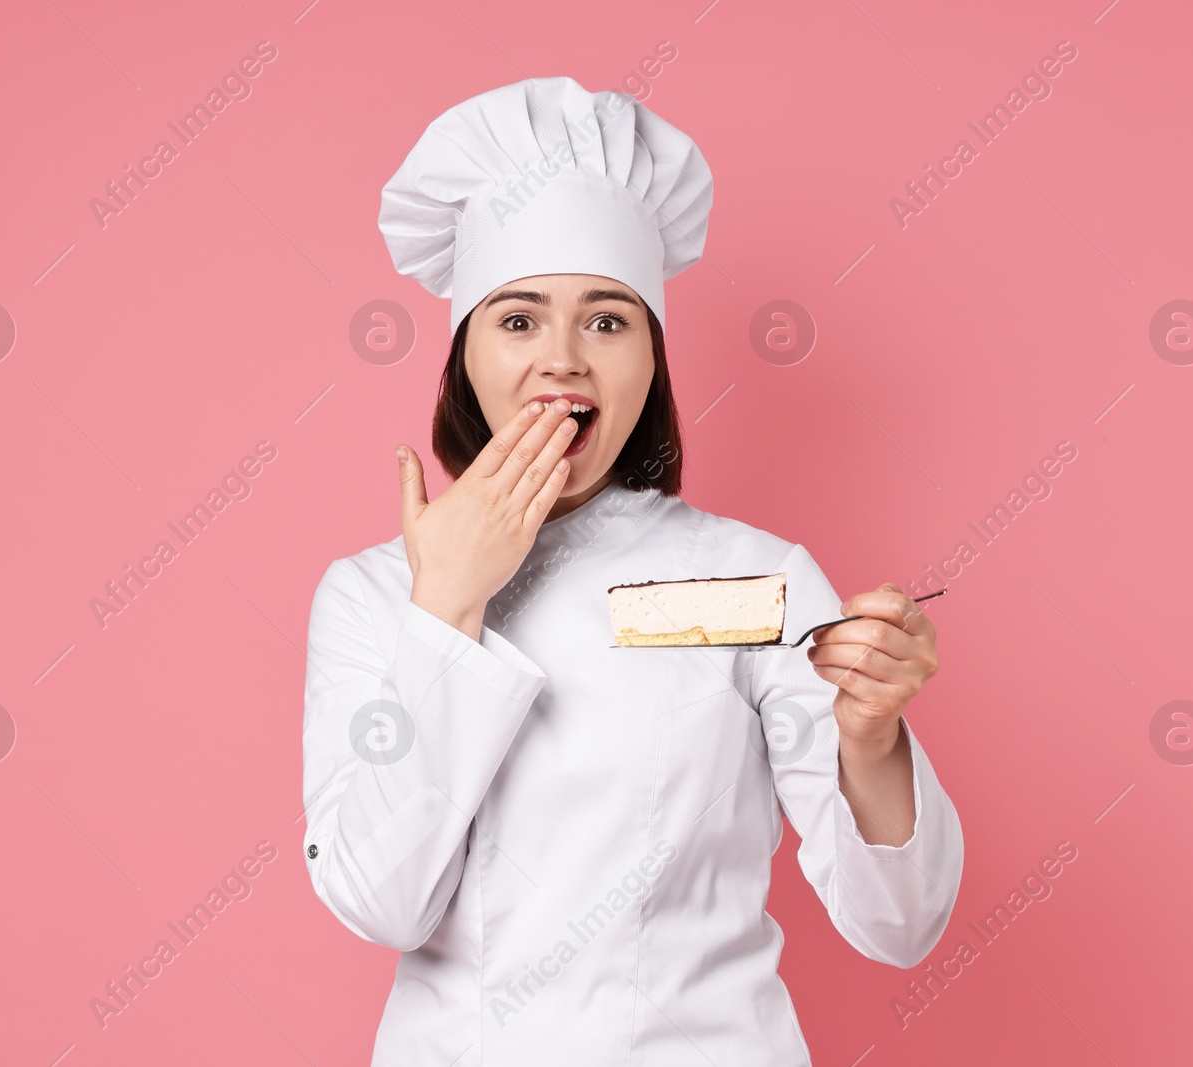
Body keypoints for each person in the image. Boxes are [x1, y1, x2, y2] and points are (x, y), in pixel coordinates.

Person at [301, 76, 963, 1065]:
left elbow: (899, 926)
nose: (560, 361)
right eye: (517, 320)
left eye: (607, 321)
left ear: (650, 357)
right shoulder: (369, 594)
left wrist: (870, 739)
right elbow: (379, 901)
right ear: (463, 357)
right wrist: (448, 603)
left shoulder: (753, 578)